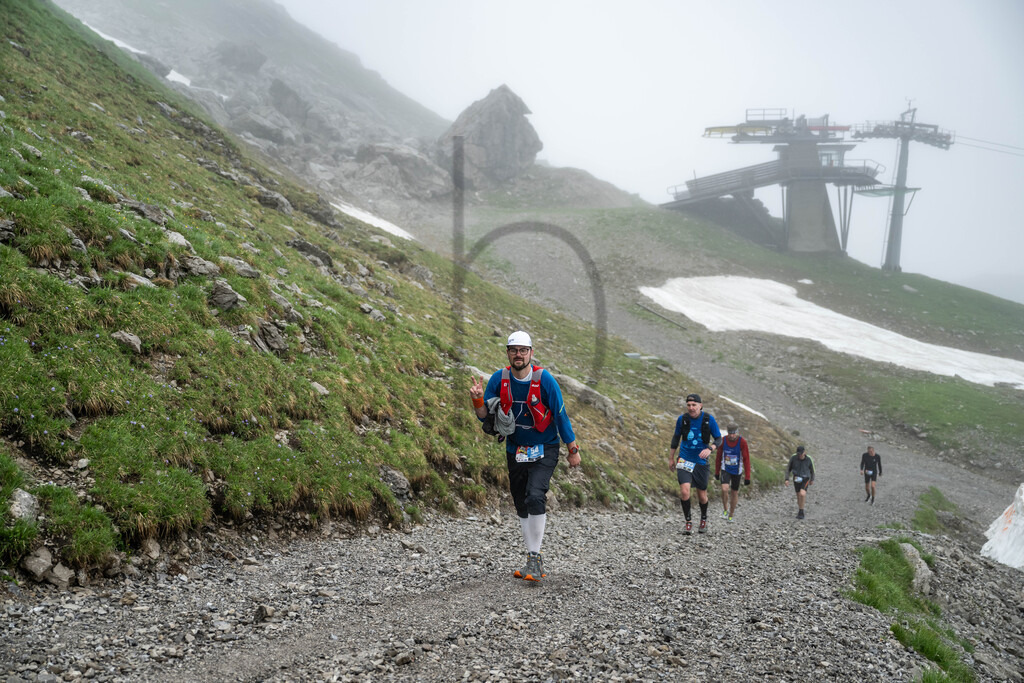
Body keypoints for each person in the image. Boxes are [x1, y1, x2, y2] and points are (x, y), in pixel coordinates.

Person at [468, 330, 580, 583]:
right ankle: (531, 558)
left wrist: (573, 449)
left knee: (535, 495)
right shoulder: (499, 379)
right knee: (520, 502)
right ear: (508, 353)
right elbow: (485, 417)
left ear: (531, 353)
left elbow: (560, 415)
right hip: (515, 449)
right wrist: (476, 400)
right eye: (513, 350)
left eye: (523, 350)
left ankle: (535, 558)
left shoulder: (544, 379)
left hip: (545, 447)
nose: (518, 355)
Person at [669, 393, 722, 535]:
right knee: (685, 491)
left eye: (694, 405)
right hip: (684, 459)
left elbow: (718, 439)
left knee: (702, 495)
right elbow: (675, 438)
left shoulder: (708, 419)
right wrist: (671, 458)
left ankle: (703, 519)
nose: (691, 408)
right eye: (688, 405)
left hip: (701, 462)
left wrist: (710, 449)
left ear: (700, 405)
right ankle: (688, 522)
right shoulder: (682, 419)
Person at [714, 423, 751, 522]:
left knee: (734, 493)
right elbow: (718, 457)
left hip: (737, 471)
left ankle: (731, 514)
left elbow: (746, 459)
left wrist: (747, 476)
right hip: (725, 468)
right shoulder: (723, 441)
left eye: (734, 433)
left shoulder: (742, 442)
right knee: (724, 489)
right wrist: (717, 471)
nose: (732, 435)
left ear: (737, 432)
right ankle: (725, 509)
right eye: (730, 433)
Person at [784, 445, 815, 519]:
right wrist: (786, 479)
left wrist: (812, 479)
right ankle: (800, 510)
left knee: (802, 493)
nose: (800, 455)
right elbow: (788, 469)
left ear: (804, 453)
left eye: (801, 454)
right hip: (796, 477)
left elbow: (812, 470)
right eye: (798, 454)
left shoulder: (809, 459)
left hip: (805, 478)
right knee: (798, 495)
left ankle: (802, 511)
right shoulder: (793, 458)